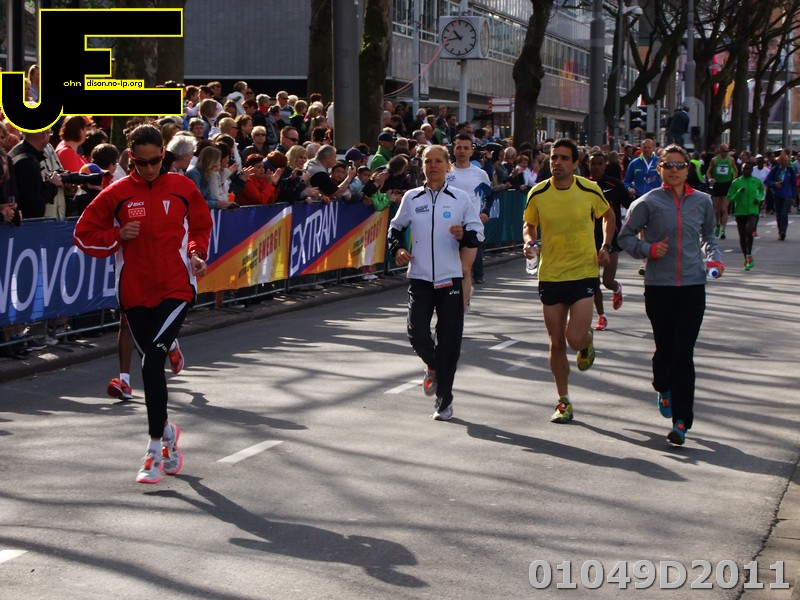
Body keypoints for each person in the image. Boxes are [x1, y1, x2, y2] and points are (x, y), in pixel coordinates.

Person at [74, 124, 212, 483]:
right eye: (141, 163)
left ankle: (153, 451)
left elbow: (200, 226)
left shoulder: (183, 187)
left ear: (164, 155)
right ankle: (167, 433)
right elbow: (83, 234)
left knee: (152, 361)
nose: (149, 169)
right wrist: (117, 235)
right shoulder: (116, 194)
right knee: (150, 368)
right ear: (130, 158)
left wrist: (197, 253)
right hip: (134, 293)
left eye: (155, 162)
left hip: (176, 287)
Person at [618, 144, 723, 446]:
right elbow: (624, 237)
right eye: (669, 165)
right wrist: (648, 249)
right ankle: (662, 386)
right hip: (659, 287)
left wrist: (714, 259)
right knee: (665, 350)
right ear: (660, 168)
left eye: (680, 165)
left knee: (683, 353)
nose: (674, 170)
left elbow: (709, 236)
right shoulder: (647, 202)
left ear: (688, 170)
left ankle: (681, 422)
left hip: (692, 286)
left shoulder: (702, 201)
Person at [387, 144, 484, 421]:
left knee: (449, 341)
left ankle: (444, 402)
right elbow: (395, 228)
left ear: (447, 165)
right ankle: (433, 365)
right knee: (416, 333)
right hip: (419, 277)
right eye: (427, 161)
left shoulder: (460, 198)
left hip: (449, 278)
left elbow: (477, 233)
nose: (433, 166)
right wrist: (398, 249)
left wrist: (464, 235)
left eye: (438, 161)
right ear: (422, 166)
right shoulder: (412, 197)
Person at [522, 138, 615, 424]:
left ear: (575, 163)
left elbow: (608, 216)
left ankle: (586, 342)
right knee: (556, 342)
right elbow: (529, 225)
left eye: (564, 158)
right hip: (551, 274)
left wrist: (606, 246)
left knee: (574, 338)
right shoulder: (538, 192)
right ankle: (563, 400)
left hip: (583, 271)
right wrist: (529, 242)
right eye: (553, 158)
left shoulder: (589, 189)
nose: (557, 163)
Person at [447, 134, 493, 307]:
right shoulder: (446, 172)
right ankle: (451, 301)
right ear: (453, 149)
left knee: (464, 269)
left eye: (466, 148)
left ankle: (462, 307)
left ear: (471, 151)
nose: (462, 151)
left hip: (470, 226)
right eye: (459, 147)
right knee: (450, 270)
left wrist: (485, 212)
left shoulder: (479, 174)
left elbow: (490, 195)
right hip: (448, 226)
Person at [587, 152, 629, 331]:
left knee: (607, 281)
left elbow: (630, 205)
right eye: (593, 164)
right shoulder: (583, 185)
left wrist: (630, 230)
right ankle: (601, 316)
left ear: (605, 165)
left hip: (610, 239)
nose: (596, 167)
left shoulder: (615, 185)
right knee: (593, 282)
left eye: (600, 164)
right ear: (588, 165)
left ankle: (616, 288)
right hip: (588, 241)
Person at [705, 143, 738, 239]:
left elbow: (735, 170)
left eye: (727, 151)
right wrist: (710, 179)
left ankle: (723, 229)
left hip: (727, 184)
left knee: (724, 209)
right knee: (717, 210)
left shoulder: (731, 159)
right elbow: (708, 171)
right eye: (724, 151)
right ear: (720, 150)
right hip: (717, 184)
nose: (726, 153)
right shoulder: (714, 160)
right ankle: (717, 225)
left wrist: (734, 179)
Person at [764, 151, 797, 241]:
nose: (785, 162)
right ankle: (780, 231)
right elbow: (767, 181)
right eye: (782, 160)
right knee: (778, 214)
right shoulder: (775, 169)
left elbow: (794, 184)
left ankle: (783, 231)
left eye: (786, 161)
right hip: (777, 194)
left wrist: (793, 196)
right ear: (779, 161)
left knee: (784, 213)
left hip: (787, 195)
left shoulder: (790, 170)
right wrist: (774, 184)